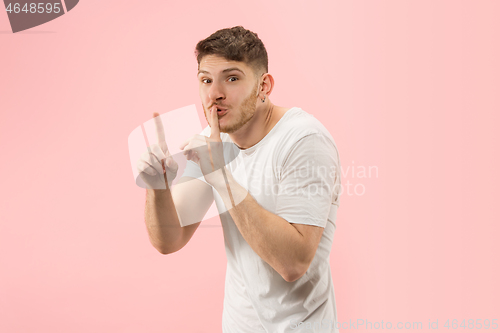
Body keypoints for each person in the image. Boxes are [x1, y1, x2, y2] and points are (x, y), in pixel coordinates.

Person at [137, 26, 341, 333]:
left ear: (264, 86)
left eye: (231, 78)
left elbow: (293, 264)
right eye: (206, 80)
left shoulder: (304, 140)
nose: (214, 94)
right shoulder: (211, 142)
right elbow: (169, 239)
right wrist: (158, 188)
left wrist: (220, 175)